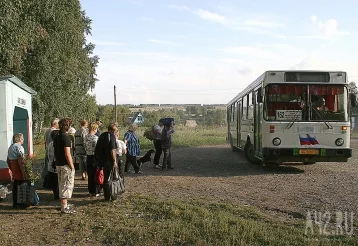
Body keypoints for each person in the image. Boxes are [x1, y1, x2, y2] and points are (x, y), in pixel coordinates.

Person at [54, 118, 76, 214]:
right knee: (66, 186)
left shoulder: (57, 136)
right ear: (67, 126)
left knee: (61, 184)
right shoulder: (66, 137)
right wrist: (72, 166)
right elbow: (67, 153)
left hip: (58, 164)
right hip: (65, 165)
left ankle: (64, 204)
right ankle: (64, 207)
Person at [95, 123, 118, 201]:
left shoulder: (102, 135)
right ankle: (113, 195)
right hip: (109, 160)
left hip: (102, 160)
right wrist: (114, 161)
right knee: (112, 178)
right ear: (113, 130)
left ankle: (106, 196)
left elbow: (97, 148)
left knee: (105, 179)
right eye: (116, 130)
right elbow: (113, 150)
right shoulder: (112, 136)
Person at [6, 133, 26, 209]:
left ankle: (15, 203)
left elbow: (7, 160)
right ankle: (21, 203)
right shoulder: (19, 147)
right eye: (22, 138)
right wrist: (23, 172)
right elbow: (20, 160)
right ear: (20, 139)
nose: (23, 140)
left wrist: (11, 169)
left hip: (13, 166)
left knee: (15, 186)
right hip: (18, 167)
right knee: (21, 185)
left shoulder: (10, 147)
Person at [84, 122, 100, 196]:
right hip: (94, 157)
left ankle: (90, 191)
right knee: (96, 174)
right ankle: (96, 191)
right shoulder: (95, 138)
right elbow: (98, 149)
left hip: (88, 157)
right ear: (94, 128)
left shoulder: (86, 137)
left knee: (90, 175)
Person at [43, 118, 59, 183]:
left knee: (47, 164)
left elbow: (45, 141)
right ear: (55, 124)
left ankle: (47, 179)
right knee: (53, 165)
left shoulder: (47, 130)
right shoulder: (55, 131)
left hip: (47, 148)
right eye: (58, 123)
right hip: (53, 148)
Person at [47, 130, 60, 199]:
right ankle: (59, 194)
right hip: (56, 164)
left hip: (51, 164)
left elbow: (48, 155)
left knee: (54, 182)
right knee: (58, 181)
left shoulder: (50, 144)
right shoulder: (58, 144)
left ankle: (55, 194)